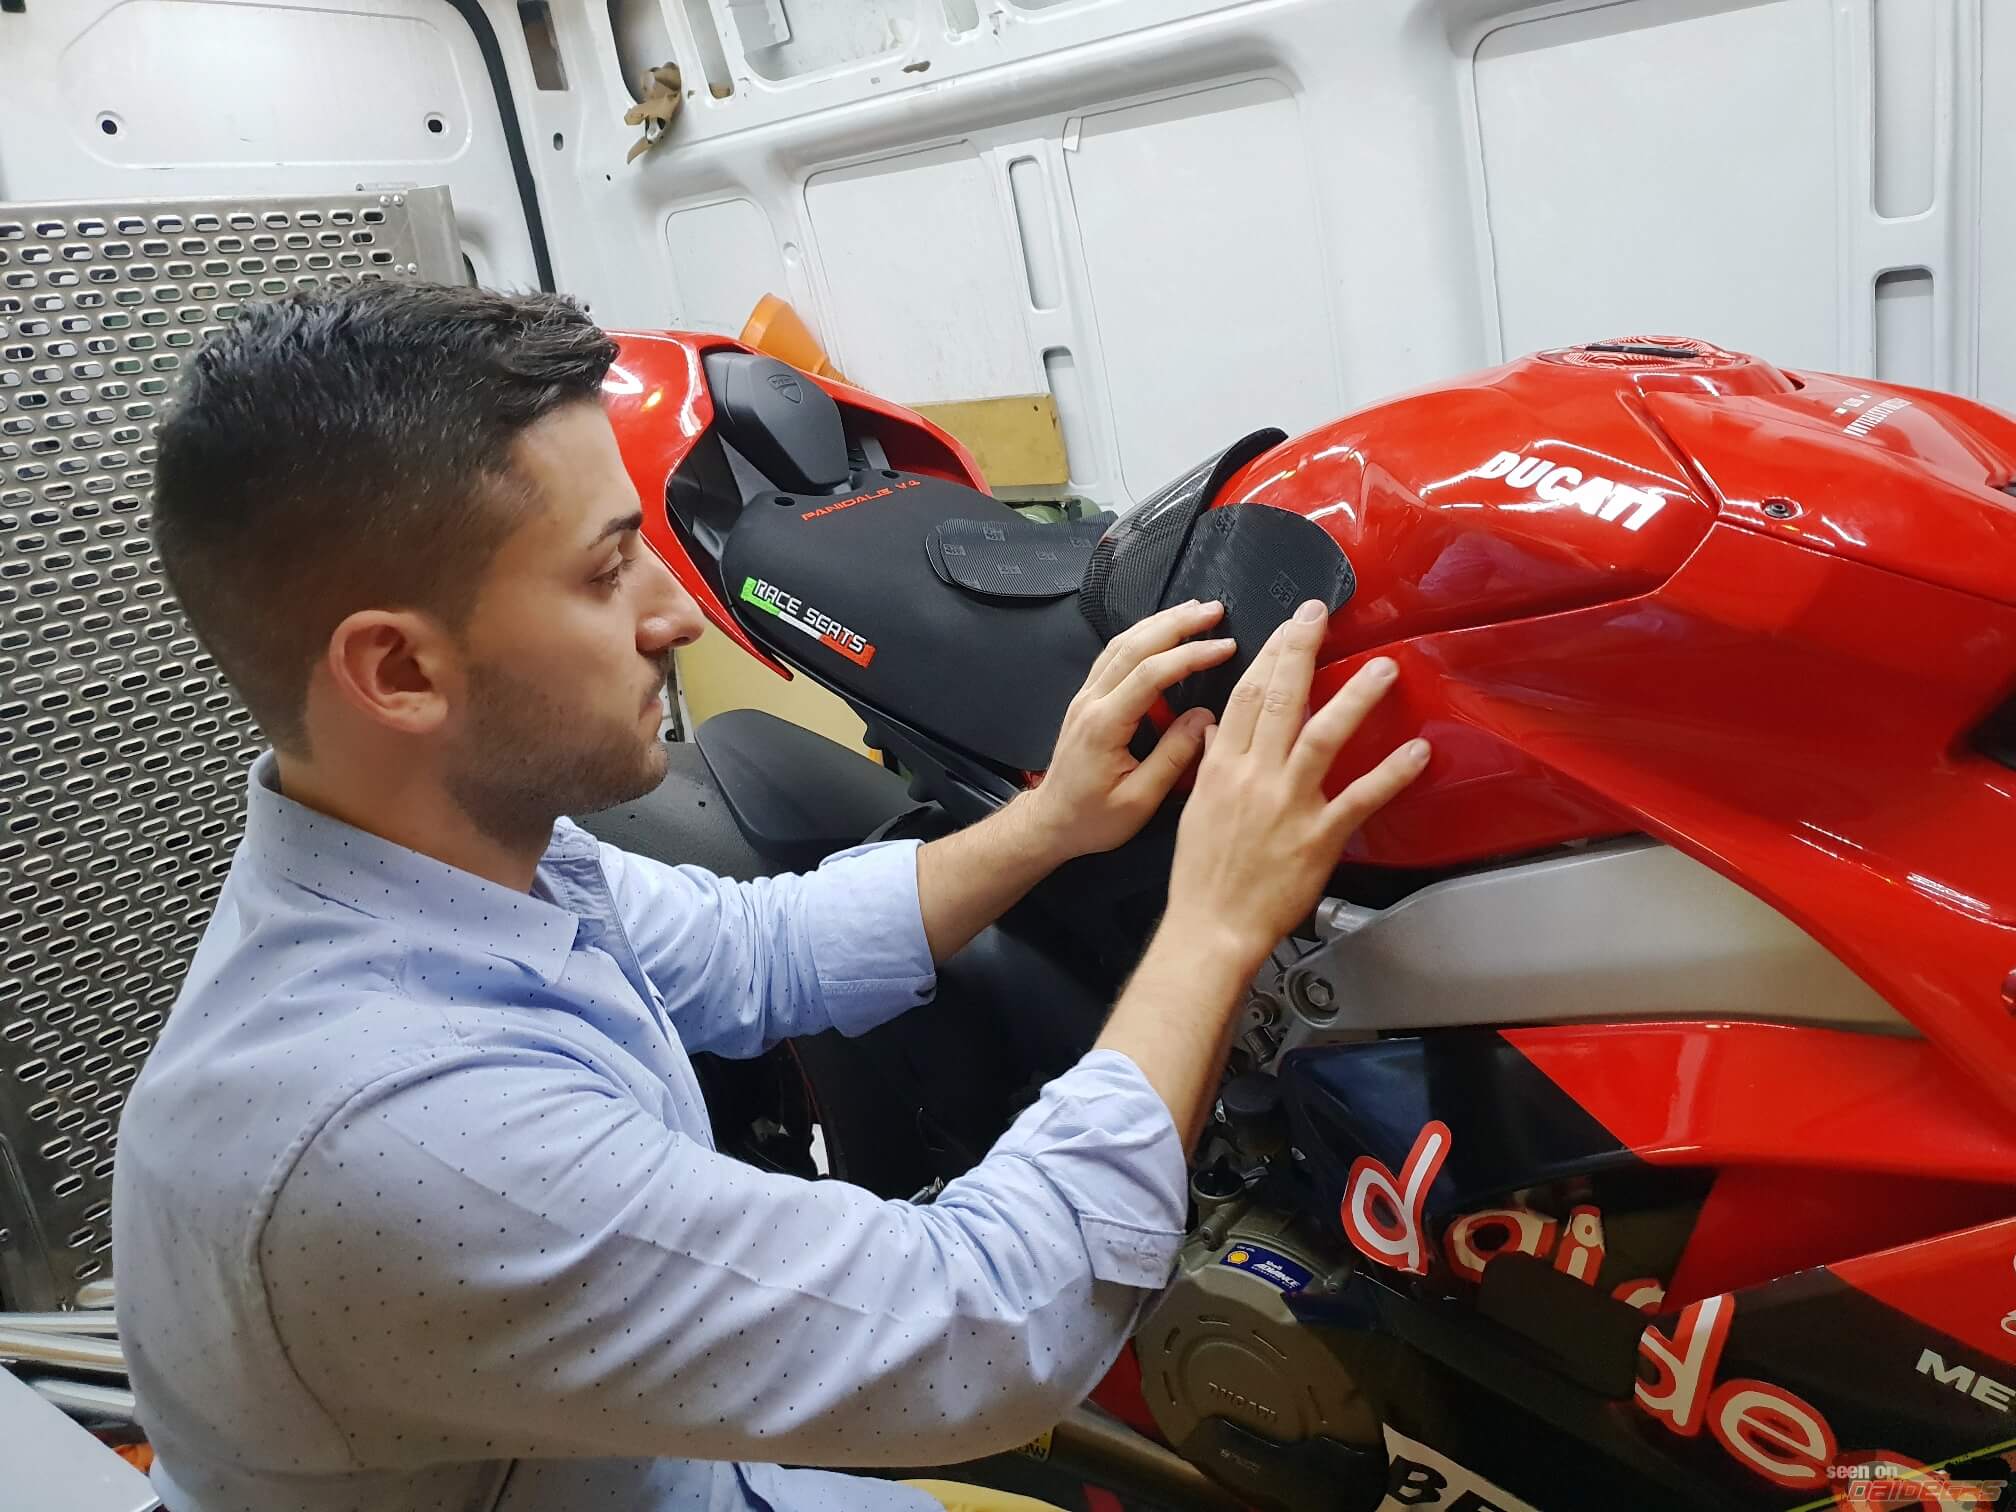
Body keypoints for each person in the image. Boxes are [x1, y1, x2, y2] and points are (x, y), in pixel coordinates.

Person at [109, 282, 1429, 1512]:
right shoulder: (395, 1135)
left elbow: (752, 949)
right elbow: (980, 1329)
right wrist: (1212, 927)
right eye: (604, 570)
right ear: (399, 673)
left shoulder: (459, 854)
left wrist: (1049, 824)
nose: (674, 615)